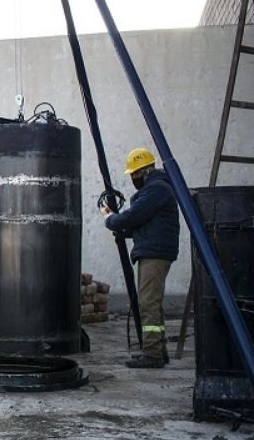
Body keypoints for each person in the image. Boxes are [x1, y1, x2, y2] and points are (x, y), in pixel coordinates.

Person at [100, 147, 179, 369]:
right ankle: (159, 350)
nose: (133, 178)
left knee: (148, 303)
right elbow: (143, 224)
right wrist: (123, 228)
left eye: (134, 173)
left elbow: (134, 216)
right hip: (154, 251)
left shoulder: (156, 190)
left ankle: (152, 354)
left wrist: (111, 219)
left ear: (144, 171)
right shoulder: (157, 190)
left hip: (154, 254)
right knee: (153, 303)